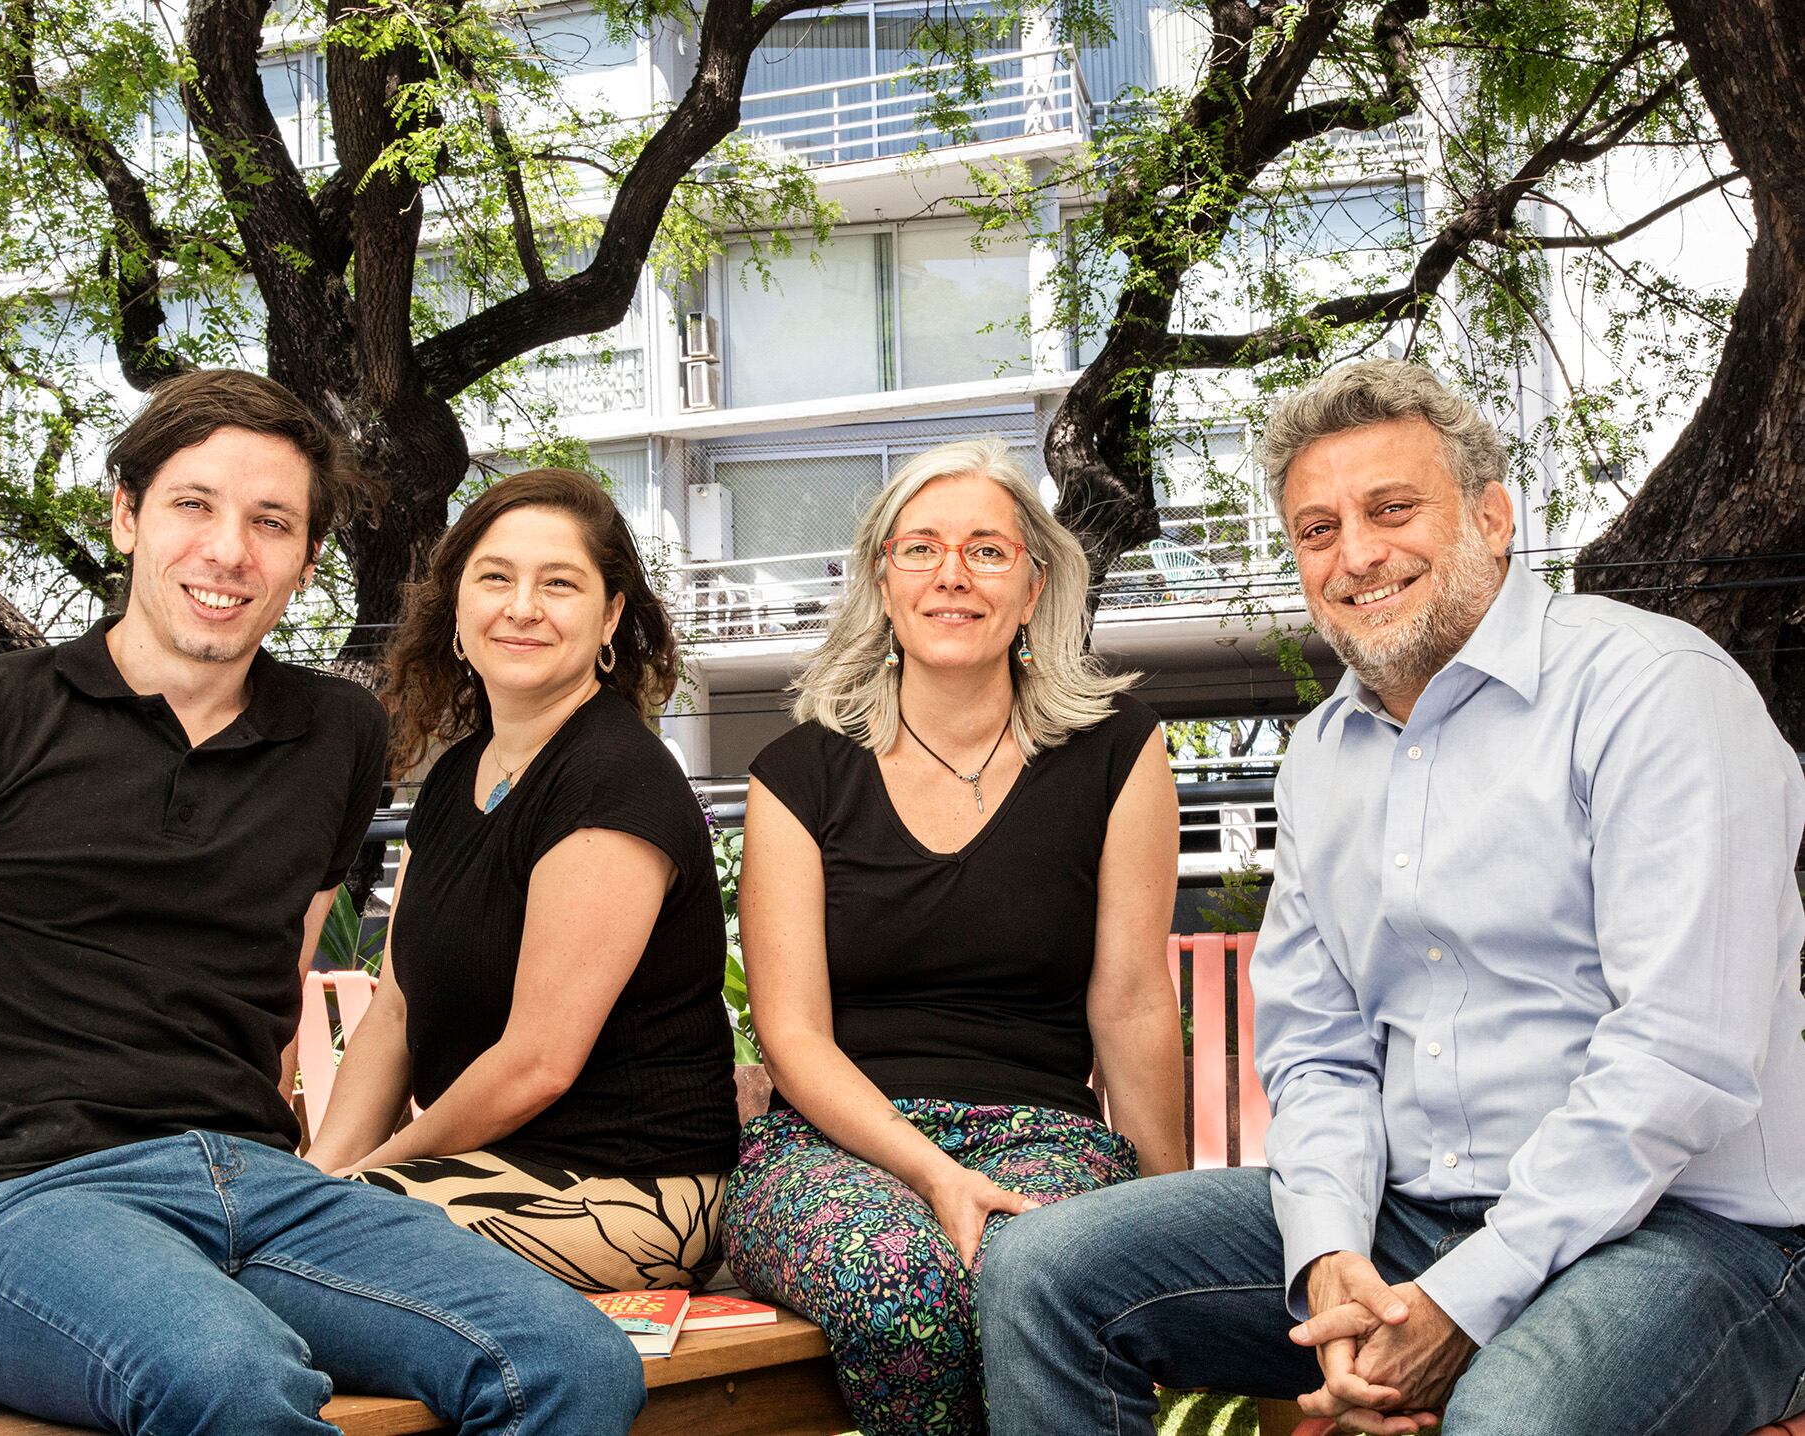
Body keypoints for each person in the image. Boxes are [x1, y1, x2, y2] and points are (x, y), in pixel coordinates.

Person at [0, 372, 646, 1435]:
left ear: (306, 558)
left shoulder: (336, 736)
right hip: (12, 1210)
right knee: (230, 1370)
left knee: (571, 1360)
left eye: (271, 521)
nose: (230, 550)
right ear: (127, 513)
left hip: (253, 1190)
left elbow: (274, 991)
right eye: (194, 504)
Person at [980, 358, 1805, 1436]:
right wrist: (1329, 1256)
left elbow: (1678, 1053)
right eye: (1316, 529)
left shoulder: (1655, 692)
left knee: (1510, 1415)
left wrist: (1459, 1302)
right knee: (1044, 1269)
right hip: (1413, 1219)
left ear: (1494, 517)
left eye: (1390, 508)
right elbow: (1317, 1048)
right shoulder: (1322, 755)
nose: (1355, 553)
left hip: (1691, 1232)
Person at [721, 439, 1187, 1436]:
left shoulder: (1118, 747)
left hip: (1043, 1135)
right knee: (903, 1283)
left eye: (986, 550)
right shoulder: (795, 771)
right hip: (831, 1144)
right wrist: (932, 1171)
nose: (950, 575)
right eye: (920, 549)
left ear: (1034, 584)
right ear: (881, 581)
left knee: (1037, 1269)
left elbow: (1134, 999)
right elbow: (791, 1034)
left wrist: (1173, 1211)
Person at [305, 468, 740, 1293]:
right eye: (495, 577)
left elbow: (538, 1062)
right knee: (260, 1230)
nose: (522, 606)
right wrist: (319, 1170)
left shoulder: (614, 776)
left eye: (560, 584)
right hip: (473, 1172)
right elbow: (394, 1012)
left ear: (610, 616)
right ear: (457, 610)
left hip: (629, 1189)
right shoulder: (454, 775)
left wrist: (356, 1182)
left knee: (299, 1253)